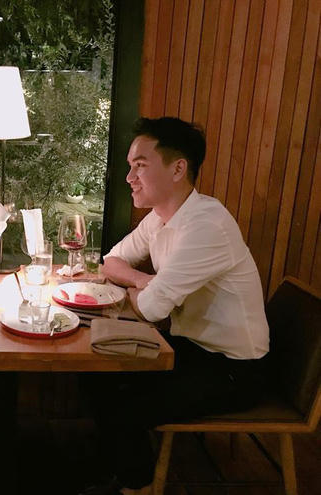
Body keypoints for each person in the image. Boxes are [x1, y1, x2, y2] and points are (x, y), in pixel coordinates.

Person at [79, 117, 269, 495]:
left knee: (126, 406)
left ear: (178, 168)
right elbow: (112, 261)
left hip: (233, 369)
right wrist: (142, 281)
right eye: (130, 166)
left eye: (140, 166)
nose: (130, 177)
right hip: (191, 348)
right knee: (96, 371)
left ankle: (137, 486)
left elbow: (152, 310)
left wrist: (144, 292)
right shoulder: (161, 217)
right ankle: (112, 470)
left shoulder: (206, 225)